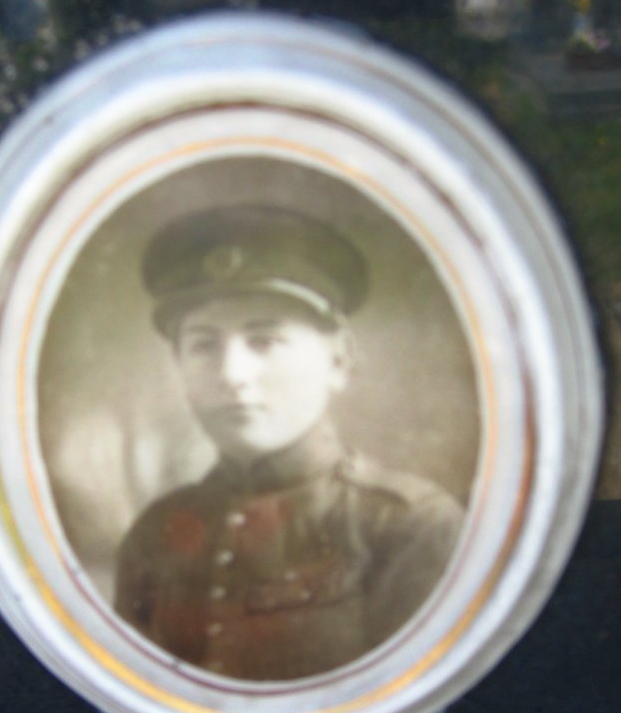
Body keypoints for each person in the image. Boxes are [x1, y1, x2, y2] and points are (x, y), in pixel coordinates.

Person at [114, 205, 463, 681]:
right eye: (204, 345)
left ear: (338, 360)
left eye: (264, 341)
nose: (232, 375)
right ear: (179, 366)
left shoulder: (409, 527)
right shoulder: (153, 534)